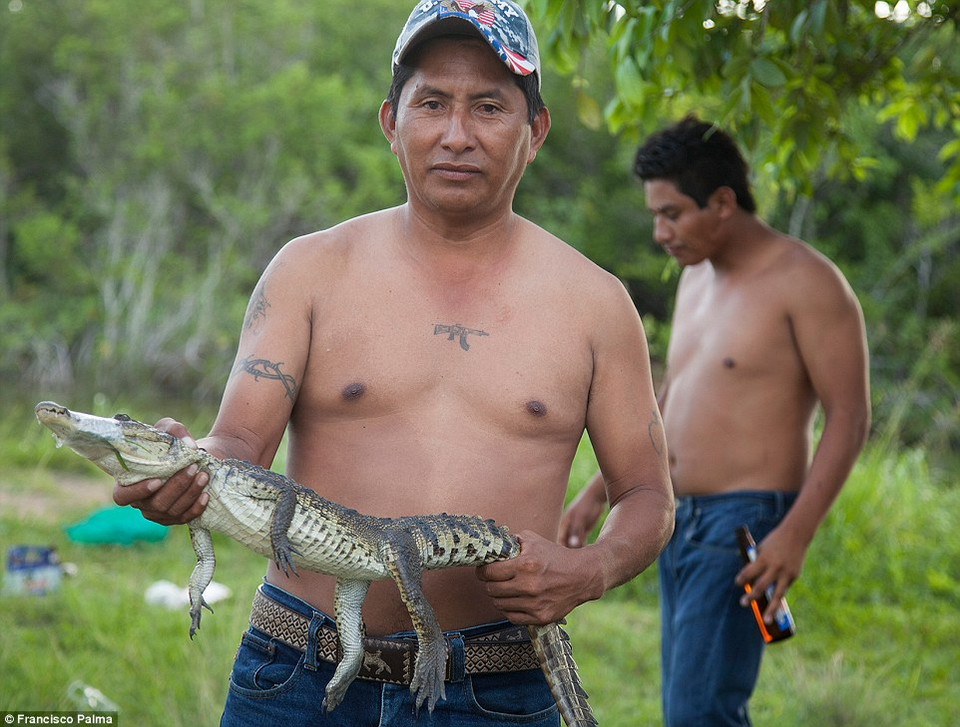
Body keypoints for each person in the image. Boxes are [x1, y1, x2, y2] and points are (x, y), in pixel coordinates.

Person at [113, 2, 674, 725]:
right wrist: (183, 469)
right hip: (295, 673)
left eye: (489, 107)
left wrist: (589, 568)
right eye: (431, 103)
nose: (456, 134)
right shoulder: (308, 271)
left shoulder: (597, 305)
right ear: (390, 121)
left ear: (534, 132)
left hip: (494, 689)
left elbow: (648, 497)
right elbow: (238, 446)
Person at [560, 116, 871, 727]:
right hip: (680, 518)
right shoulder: (697, 276)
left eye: (672, 213)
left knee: (701, 712)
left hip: (743, 525)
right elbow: (679, 388)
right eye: (655, 215)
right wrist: (602, 489)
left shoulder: (806, 282)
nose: (659, 233)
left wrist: (796, 534)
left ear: (723, 202)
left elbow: (851, 416)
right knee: (686, 702)